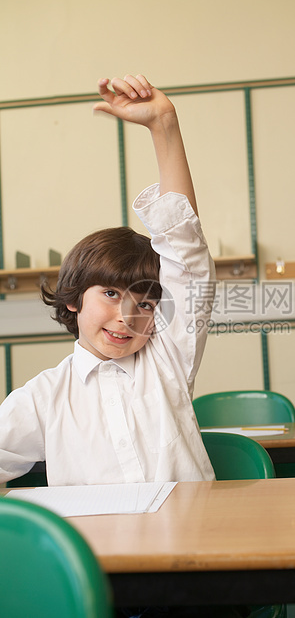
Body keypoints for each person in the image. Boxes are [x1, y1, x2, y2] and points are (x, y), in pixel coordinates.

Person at [0, 73, 215, 487]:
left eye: (147, 303)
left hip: (189, 542)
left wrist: (164, 124)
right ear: (74, 299)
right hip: (99, 552)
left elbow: (185, 252)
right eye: (111, 293)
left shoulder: (168, 357)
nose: (127, 317)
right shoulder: (44, 397)